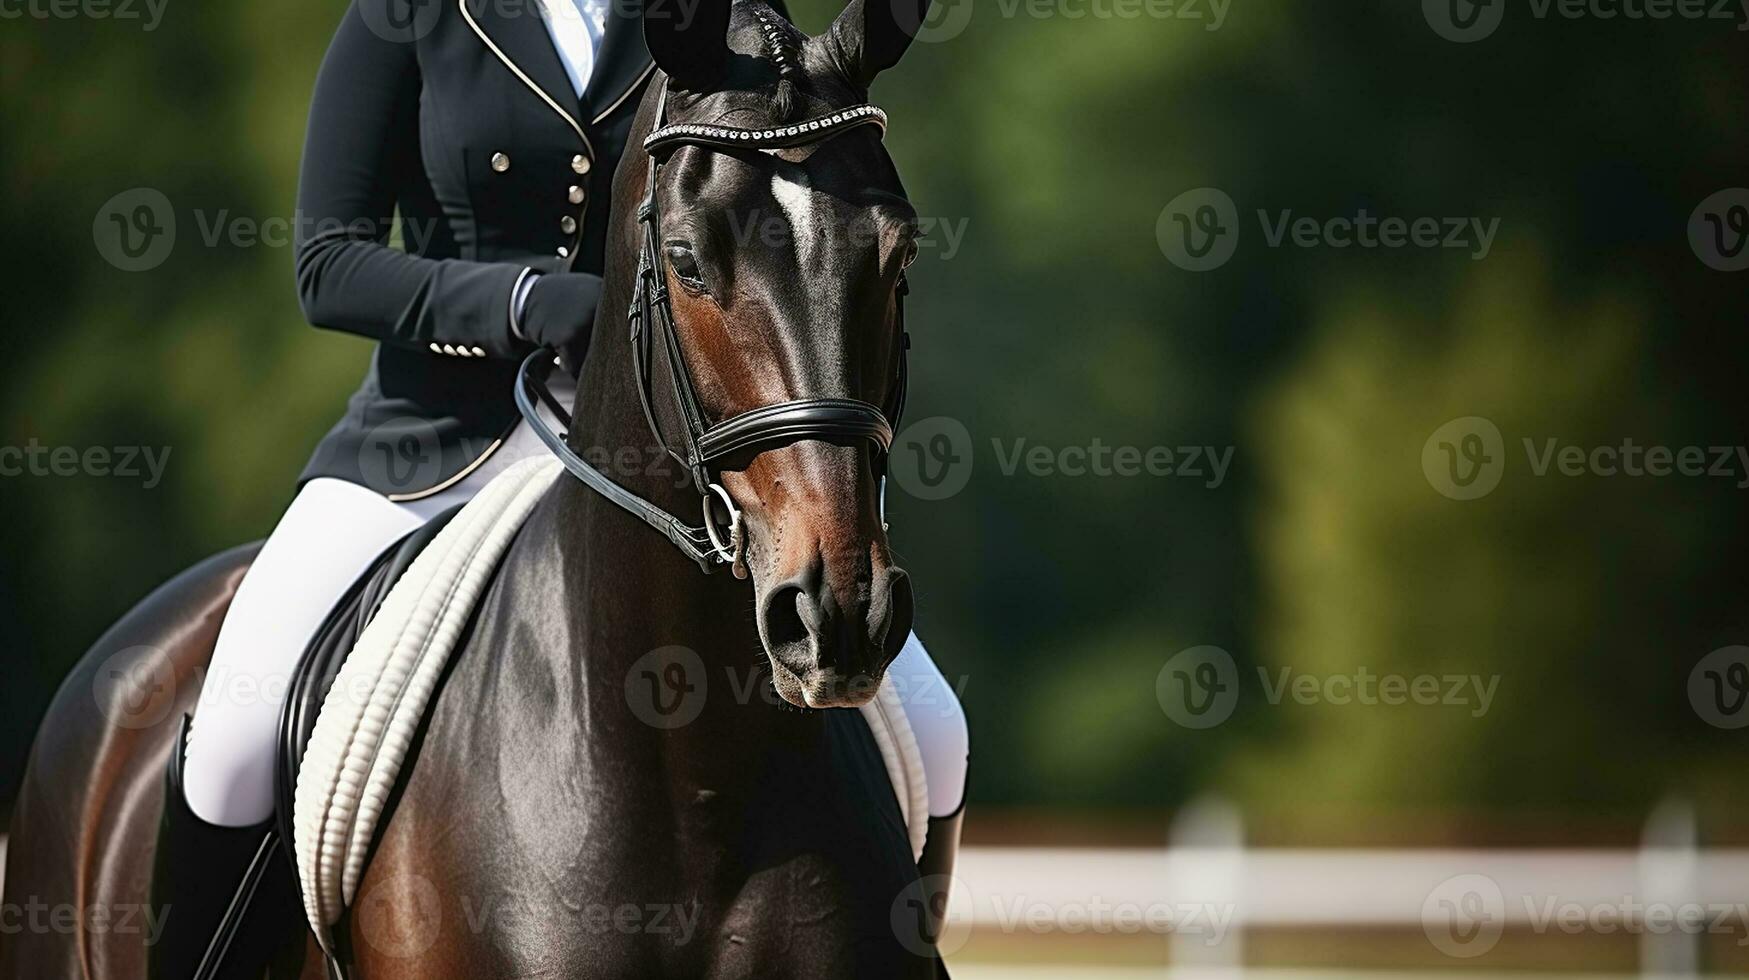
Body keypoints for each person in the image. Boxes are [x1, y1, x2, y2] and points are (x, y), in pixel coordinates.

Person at [144, 0, 969, 974]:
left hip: (661, 450)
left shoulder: (722, 23)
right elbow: (327, 264)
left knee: (936, 726)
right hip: (431, 451)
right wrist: (527, 302)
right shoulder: (412, 17)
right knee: (241, 722)